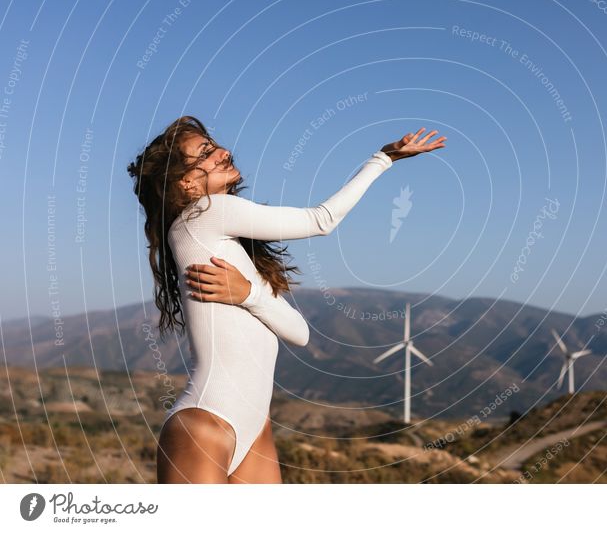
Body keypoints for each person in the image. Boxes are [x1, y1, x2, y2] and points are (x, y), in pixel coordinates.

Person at [126, 116, 446, 483]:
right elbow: (322, 220)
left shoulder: (228, 249)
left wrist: (252, 294)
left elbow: (300, 332)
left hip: (254, 427)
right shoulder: (204, 214)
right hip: (205, 422)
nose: (223, 152)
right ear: (186, 183)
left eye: (215, 145)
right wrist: (382, 159)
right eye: (206, 152)